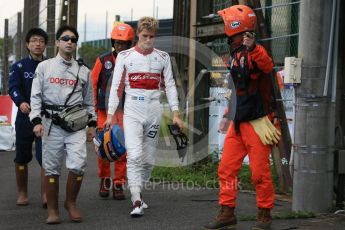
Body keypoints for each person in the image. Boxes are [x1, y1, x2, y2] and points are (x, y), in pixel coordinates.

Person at [203, 5, 281, 230]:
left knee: (259, 173)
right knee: (226, 169)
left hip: (258, 123)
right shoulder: (235, 55)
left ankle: (264, 215)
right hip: (238, 123)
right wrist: (228, 114)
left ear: (234, 26)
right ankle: (227, 213)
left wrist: (253, 47)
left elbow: (266, 65)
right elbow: (238, 90)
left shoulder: (255, 51)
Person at [105, 16, 183, 217]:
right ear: (138, 35)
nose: (148, 39)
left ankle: (139, 190)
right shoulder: (125, 56)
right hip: (132, 109)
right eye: (145, 35)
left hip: (154, 109)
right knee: (135, 155)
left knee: (148, 159)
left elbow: (171, 85)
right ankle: (136, 198)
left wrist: (176, 113)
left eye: (152, 36)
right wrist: (110, 114)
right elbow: (116, 87)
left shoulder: (163, 57)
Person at [29, 25, 97, 224]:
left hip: (75, 125)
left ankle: (71, 203)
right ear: (57, 42)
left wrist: (92, 125)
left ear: (76, 45)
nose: (69, 42)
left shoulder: (84, 71)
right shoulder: (44, 67)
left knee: (78, 165)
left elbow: (89, 102)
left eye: (73, 39)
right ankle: (52, 210)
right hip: (51, 123)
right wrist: (36, 121)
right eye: (65, 38)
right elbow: (35, 97)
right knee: (51, 167)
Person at [91, 23, 135, 200]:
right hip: (104, 112)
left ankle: (118, 183)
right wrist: (94, 110)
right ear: (113, 42)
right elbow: (93, 85)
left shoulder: (134, 61)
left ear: (130, 44)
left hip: (125, 112)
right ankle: (104, 180)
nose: (120, 46)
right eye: (117, 42)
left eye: (124, 43)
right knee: (104, 147)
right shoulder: (103, 60)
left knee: (122, 149)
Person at [8, 27, 48, 207]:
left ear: (45, 45)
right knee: (22, 157)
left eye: (41, 41)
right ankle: (22, 193)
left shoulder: (50, 65)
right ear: (27, 45)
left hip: (45, 118)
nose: (37, 44)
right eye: (34, 41)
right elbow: (13, 88)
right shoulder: (19, 66)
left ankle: (47, 195)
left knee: (46, 157)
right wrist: (21, 102)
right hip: (24, 118)